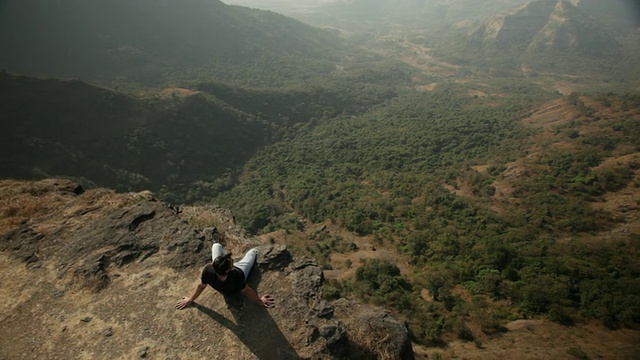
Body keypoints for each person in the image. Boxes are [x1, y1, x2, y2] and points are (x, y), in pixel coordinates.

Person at [175, 243, 275, 310]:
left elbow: (201, 286)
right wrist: (260, 301)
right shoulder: (236, 274)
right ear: (228, 269)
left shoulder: (208, 270)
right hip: (240, 270)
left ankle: (222, 261)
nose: (232, 260)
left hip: (220, 272)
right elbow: (247, 291)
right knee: (253, 252)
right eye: (231, 262)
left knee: (216, 245)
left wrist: (190, 300)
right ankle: (254, 251)